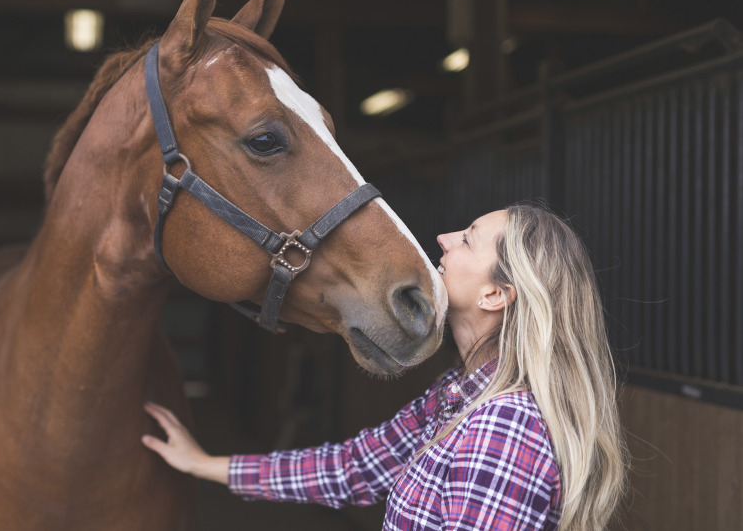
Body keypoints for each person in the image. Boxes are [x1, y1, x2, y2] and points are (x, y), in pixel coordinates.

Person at [142, 203, 629, 530]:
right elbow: (353, 468)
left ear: (495, 295)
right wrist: (208, 466)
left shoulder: (504, 427)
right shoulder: (456, 396)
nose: (442, 238)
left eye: (467, 239)